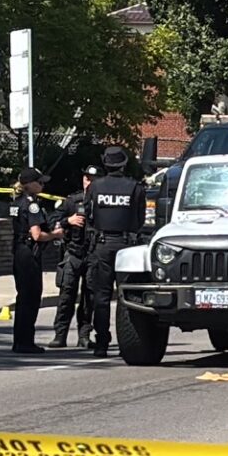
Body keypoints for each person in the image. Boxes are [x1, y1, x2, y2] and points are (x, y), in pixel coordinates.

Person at [83, 145, 147, 358]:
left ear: (105, 164)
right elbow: (140, 220)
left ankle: (101, 343)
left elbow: (89, 217)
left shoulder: (95, 187)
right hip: (127, 246)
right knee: (127, 296)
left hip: (101, 245)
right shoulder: (135, 187)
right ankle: (127, 342)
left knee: (101, 297)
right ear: (124, 163)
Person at [9, 168, 61, 354]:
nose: (42, 185)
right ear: (29, 184)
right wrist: (55, 235)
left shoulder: (17, 201)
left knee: (23, 297)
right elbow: (37, 235)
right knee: (30, 298)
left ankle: (20, 340)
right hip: (29, 253)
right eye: (39, 182)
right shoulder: (32, 205)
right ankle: (25, 342)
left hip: (19, 251)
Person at [49, 164, 98, 349]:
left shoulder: (102, 203)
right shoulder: (71, 201)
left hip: (92, 254)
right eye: (87, 179)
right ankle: (60, 335)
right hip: (73, 252)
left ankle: (84, 336)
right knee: (66, 294)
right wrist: (67, 221)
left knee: (89, 297)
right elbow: (52, 221)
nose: (90, 183)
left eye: (93, 180)